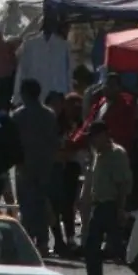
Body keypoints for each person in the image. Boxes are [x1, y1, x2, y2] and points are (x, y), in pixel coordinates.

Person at [76, 120, 131, 275]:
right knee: (91, 245)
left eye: (95, 137)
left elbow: (122, 184)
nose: (92, 141)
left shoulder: (116, 154)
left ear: (104, 135)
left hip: (111, 205)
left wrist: (121, 209)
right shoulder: (97, 154)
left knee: (120, 248)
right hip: (98, 205)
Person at [9, 78, 61, 254]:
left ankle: (28, 242)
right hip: (45, 165)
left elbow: (14, 143)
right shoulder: (50, 114)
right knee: (42, 203)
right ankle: (43, 242)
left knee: (26, 204)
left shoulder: (18, 115)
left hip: (25, 165)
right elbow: (54, 141)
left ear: (24, 93)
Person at [50, 91, 86, 256]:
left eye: (79, 104)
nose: (76, 108)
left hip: (72, 167)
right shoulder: (57, 123)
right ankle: (58, 240)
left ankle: (70, 238)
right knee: (56, 205)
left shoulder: (80, 124)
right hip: (57, 167)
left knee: (69, 205)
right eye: (72, 104)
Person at [16, 19, 72, 101]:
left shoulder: (64, 46)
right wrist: (18, 96)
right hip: (36, 95)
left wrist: (69, 93)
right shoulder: (30, 44)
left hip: (57, 96)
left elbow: (68, 73)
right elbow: (22, 71)